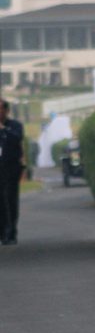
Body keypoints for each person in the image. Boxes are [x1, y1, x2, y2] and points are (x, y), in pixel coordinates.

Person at [0, 100, 25, 246]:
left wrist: (3, 129)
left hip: (11, 168)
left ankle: (11, 232)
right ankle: (3, 232)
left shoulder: (15, 126)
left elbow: (16, 139)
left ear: (6, 111)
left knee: (10, 201)